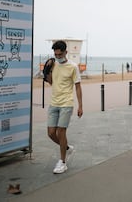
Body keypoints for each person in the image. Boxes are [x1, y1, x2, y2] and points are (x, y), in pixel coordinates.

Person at [47, 41, 83, 174]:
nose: (57, 56)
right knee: (51, 133)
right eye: (55, 54)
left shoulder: (73, 67)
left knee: (60, 132)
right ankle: (67, 148)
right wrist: (48, 71)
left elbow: (78, 86)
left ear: (66, 52)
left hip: (67, 103)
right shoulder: (53, 64)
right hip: (54, 103)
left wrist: (80, 106)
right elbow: (51, 82)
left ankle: (62, 162)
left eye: (60, 54)